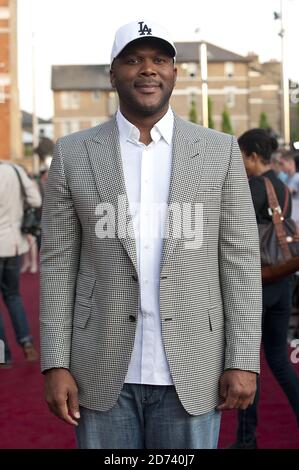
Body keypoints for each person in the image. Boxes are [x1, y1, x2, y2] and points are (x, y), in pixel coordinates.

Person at [40, 20, 262, 449]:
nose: (147, 70)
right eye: (133, 60)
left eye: (159, 59)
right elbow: (58, 263)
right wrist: (55, 363)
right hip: (100, 368)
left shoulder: (218, 150)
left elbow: (238, 259)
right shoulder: (73, 153)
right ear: (113, 74)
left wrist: (241, 358)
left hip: (195, 368)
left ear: (175, 72)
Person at [229, 129, 299, 449]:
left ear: (253, 156)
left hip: (258, 282)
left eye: (241, 157)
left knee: (248, 362)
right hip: (281, 280)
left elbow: (229, 225)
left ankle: (246, 439)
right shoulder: (283, 185)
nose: (239, 163)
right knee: (279, 361)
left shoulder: (256, 186)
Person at [0, 162, 41, 367]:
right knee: (13, 295)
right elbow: (36, 199)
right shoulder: (14, 170)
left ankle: (2, 355)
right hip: (14, 243)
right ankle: (26, 341)